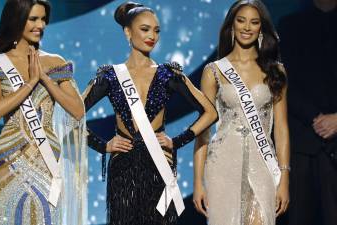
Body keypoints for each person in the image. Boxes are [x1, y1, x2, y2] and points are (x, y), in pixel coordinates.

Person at [82, 1, 217, 225]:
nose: (151, 36)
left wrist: (177, 141)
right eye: (145, 29)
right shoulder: (110, 76)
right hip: (122, 168)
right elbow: (69, 115)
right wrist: (102, 145)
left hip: (159, 164)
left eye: (156, 30)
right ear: (128, 32)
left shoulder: (168, 74)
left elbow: (210, 113)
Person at [0, 0, 87, 224]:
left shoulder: (55, 62)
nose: (40, 25)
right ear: (17, 20)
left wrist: (45, 78)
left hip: (46, 159)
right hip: (9, 157)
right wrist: (32, 82)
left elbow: (77, 110)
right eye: (33, 19)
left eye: (43, 19)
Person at [193, 1, 290, 225]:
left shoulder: (276, 71)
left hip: (264, 164)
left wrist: (284, 178)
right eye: (241, 20)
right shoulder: (214, 71)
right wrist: (198, 182)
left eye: (254, 22)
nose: (247, 27)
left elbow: (282, 129)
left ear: (261, 28)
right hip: (222, 165)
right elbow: (203, 131)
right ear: (231, 26)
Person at [278, 0, 337, 224]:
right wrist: (316, 118)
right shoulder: (289, 25)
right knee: (299, 216)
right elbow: (283, 84)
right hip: (301, 143)